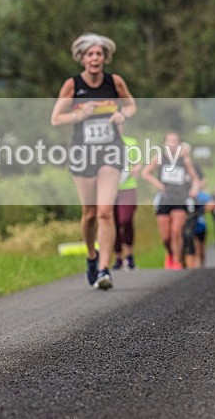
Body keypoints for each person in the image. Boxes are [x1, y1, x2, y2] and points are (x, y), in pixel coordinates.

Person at [50, 33, 137, 290]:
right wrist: (79, 114)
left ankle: (104, 269)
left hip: (110, 151)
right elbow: (56, 118)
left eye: (99, 54)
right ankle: (91, 255)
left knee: (104, 212)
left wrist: (123, 114)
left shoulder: (115, 82)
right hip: (82, 153)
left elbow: (132, 106)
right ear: (82, 58)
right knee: (89, 214)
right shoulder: (73, 85)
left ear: (105, 57)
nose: (95, 58)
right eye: (90, 54)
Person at [142, 131, 201, 270]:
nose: (172, 144)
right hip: (165, 198)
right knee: (166, 237)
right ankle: (170, 253)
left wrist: (194, 189)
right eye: (169, 141)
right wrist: (158, 185)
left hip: (180, 198)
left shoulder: (184, 160)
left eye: (175, 141)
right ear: (164, 143)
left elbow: (195, 178)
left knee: (176, 232)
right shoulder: (159, 157)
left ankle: (176, 261)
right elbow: (145, 173)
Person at [113, 132, 141, 270]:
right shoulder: (103, 143)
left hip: (127, 187)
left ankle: (129, 255)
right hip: (109, 188)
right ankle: (118, 256)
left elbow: (138, 161)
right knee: (113, 223)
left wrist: (136, 168)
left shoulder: (130, 141)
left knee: (126, 219)